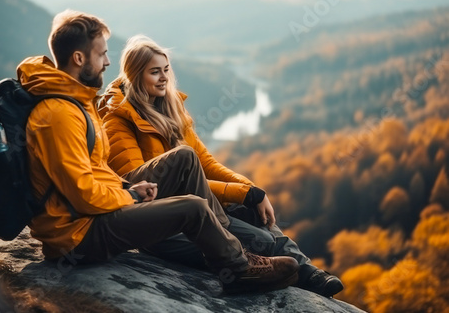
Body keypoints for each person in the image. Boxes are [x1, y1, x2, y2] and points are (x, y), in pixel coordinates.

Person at [18, 10, 300, 295]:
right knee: (193, 207)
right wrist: (130, 195)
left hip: (91, 215)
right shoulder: (59, 115)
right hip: (77, 235)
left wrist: (127, 186)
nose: (107, 61)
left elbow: (94, 172)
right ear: (79, 59)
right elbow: (83, 194)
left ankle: (229, 242)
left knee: (184, 157)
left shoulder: (76, 101)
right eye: (101, 54)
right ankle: (238, 270)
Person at [100, 35, 344, 297]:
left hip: (199, 210)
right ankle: (262, 269)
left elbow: (207, 164)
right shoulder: (117, 121)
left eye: (166, 71)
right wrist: (238, 193)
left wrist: (251, 190)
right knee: (261, 240)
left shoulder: (170, 109)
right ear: (135, 76)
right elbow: (144, 191)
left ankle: (306, 272)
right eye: (154, 72)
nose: (164, 78)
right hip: (165, 226)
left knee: (254, 211)